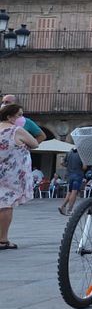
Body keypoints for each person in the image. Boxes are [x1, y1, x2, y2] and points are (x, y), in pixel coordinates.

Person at [0, 103, 39, 249]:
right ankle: (3, 239)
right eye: (19, 115)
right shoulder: (16, 130)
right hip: (10, 173)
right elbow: (35, 143)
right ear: (10, 117)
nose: (22, 118)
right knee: (6, 205)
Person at [58, 147, 86, 215]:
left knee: (69, 192)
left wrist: (69, 166)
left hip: (70, 175)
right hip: (78, 175)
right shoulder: (82, 153)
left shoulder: (69, 152)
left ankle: (62, 206)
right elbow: (84, 167)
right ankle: (70, 209)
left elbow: (62, 163)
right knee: (74, 193)